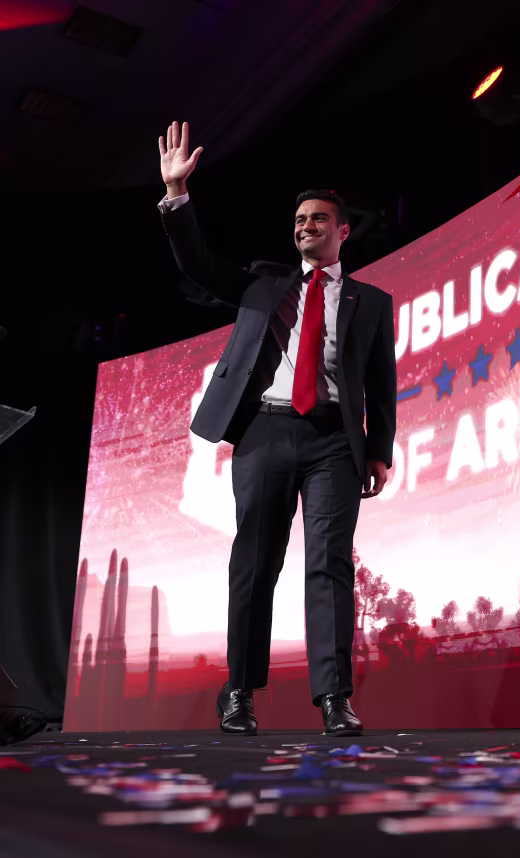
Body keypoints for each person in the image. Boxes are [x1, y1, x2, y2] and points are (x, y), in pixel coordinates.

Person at [156, 121, 396, 736]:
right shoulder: (264, 284)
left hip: (335, 442)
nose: (305, 227)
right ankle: (239, 691)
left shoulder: (371, 302)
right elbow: (198, 262)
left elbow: (380, 381)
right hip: (265, 432)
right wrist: (177, 196)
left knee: (329, 563)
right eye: (300, 221)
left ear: (344, 231)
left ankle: (334, 698)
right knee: (256, 561)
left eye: (318, 219)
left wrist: (379, 451)